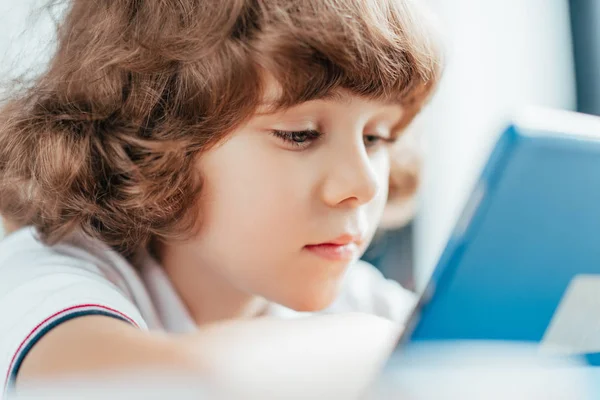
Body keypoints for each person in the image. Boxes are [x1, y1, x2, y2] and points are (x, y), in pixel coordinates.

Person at [0, 0, 442, 394]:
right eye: (300, 134)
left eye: (376, 138)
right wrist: (386, 346)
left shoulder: (361, 301)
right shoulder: (41, 279)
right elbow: (137, 385)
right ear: (155, 138)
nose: (363, 185)